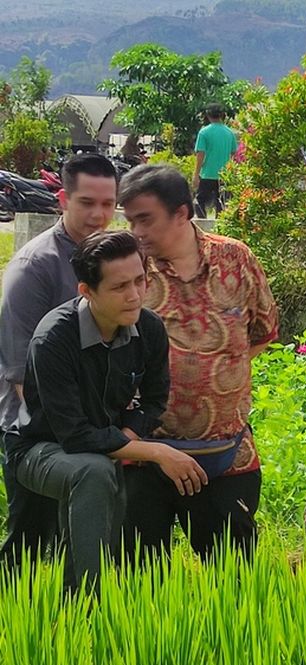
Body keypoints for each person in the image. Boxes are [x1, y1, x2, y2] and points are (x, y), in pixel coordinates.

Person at [5, 231, 205, 596]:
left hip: (101, 446)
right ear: (87, 291)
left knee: (100, 476)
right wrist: (156, 451)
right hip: (38, 450)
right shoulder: (53, 340)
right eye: (119, 287)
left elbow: (155, 400)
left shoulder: (149, 328)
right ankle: (85, 605)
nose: (134, 295)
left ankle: (95, 603)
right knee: (94, 470)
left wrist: (129, 435)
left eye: (140, 281)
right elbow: (75, 436)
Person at [118, 165, 278, 563]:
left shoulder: (235, 259)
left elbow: (263, 331)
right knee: (134, 578)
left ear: (182, 213)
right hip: (142, 453)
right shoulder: (126, 269)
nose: (136, 231)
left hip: (224, 454)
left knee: (233, 577)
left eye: (145, 219)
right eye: (130, 220)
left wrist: (217, 372)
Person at [0, 153, 119, 563]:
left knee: (88, 549)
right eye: (87, 203)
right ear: (63, 199)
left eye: (108, 204)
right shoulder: (37, 267)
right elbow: (21, 379)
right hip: (37, 435)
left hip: (92, 434)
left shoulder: (113, 263)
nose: (99, 214)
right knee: (29, 551)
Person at [193, 104, 239, 218]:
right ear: (222, 115)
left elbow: (200, 154)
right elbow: (233, 153)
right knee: (222, 204)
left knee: (199, 202)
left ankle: (203, 224)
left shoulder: (204, 132)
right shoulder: (229, 133)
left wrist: (196, 174)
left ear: (208, 116)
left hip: (207, 174)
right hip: (224, 176)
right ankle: (219, 228)